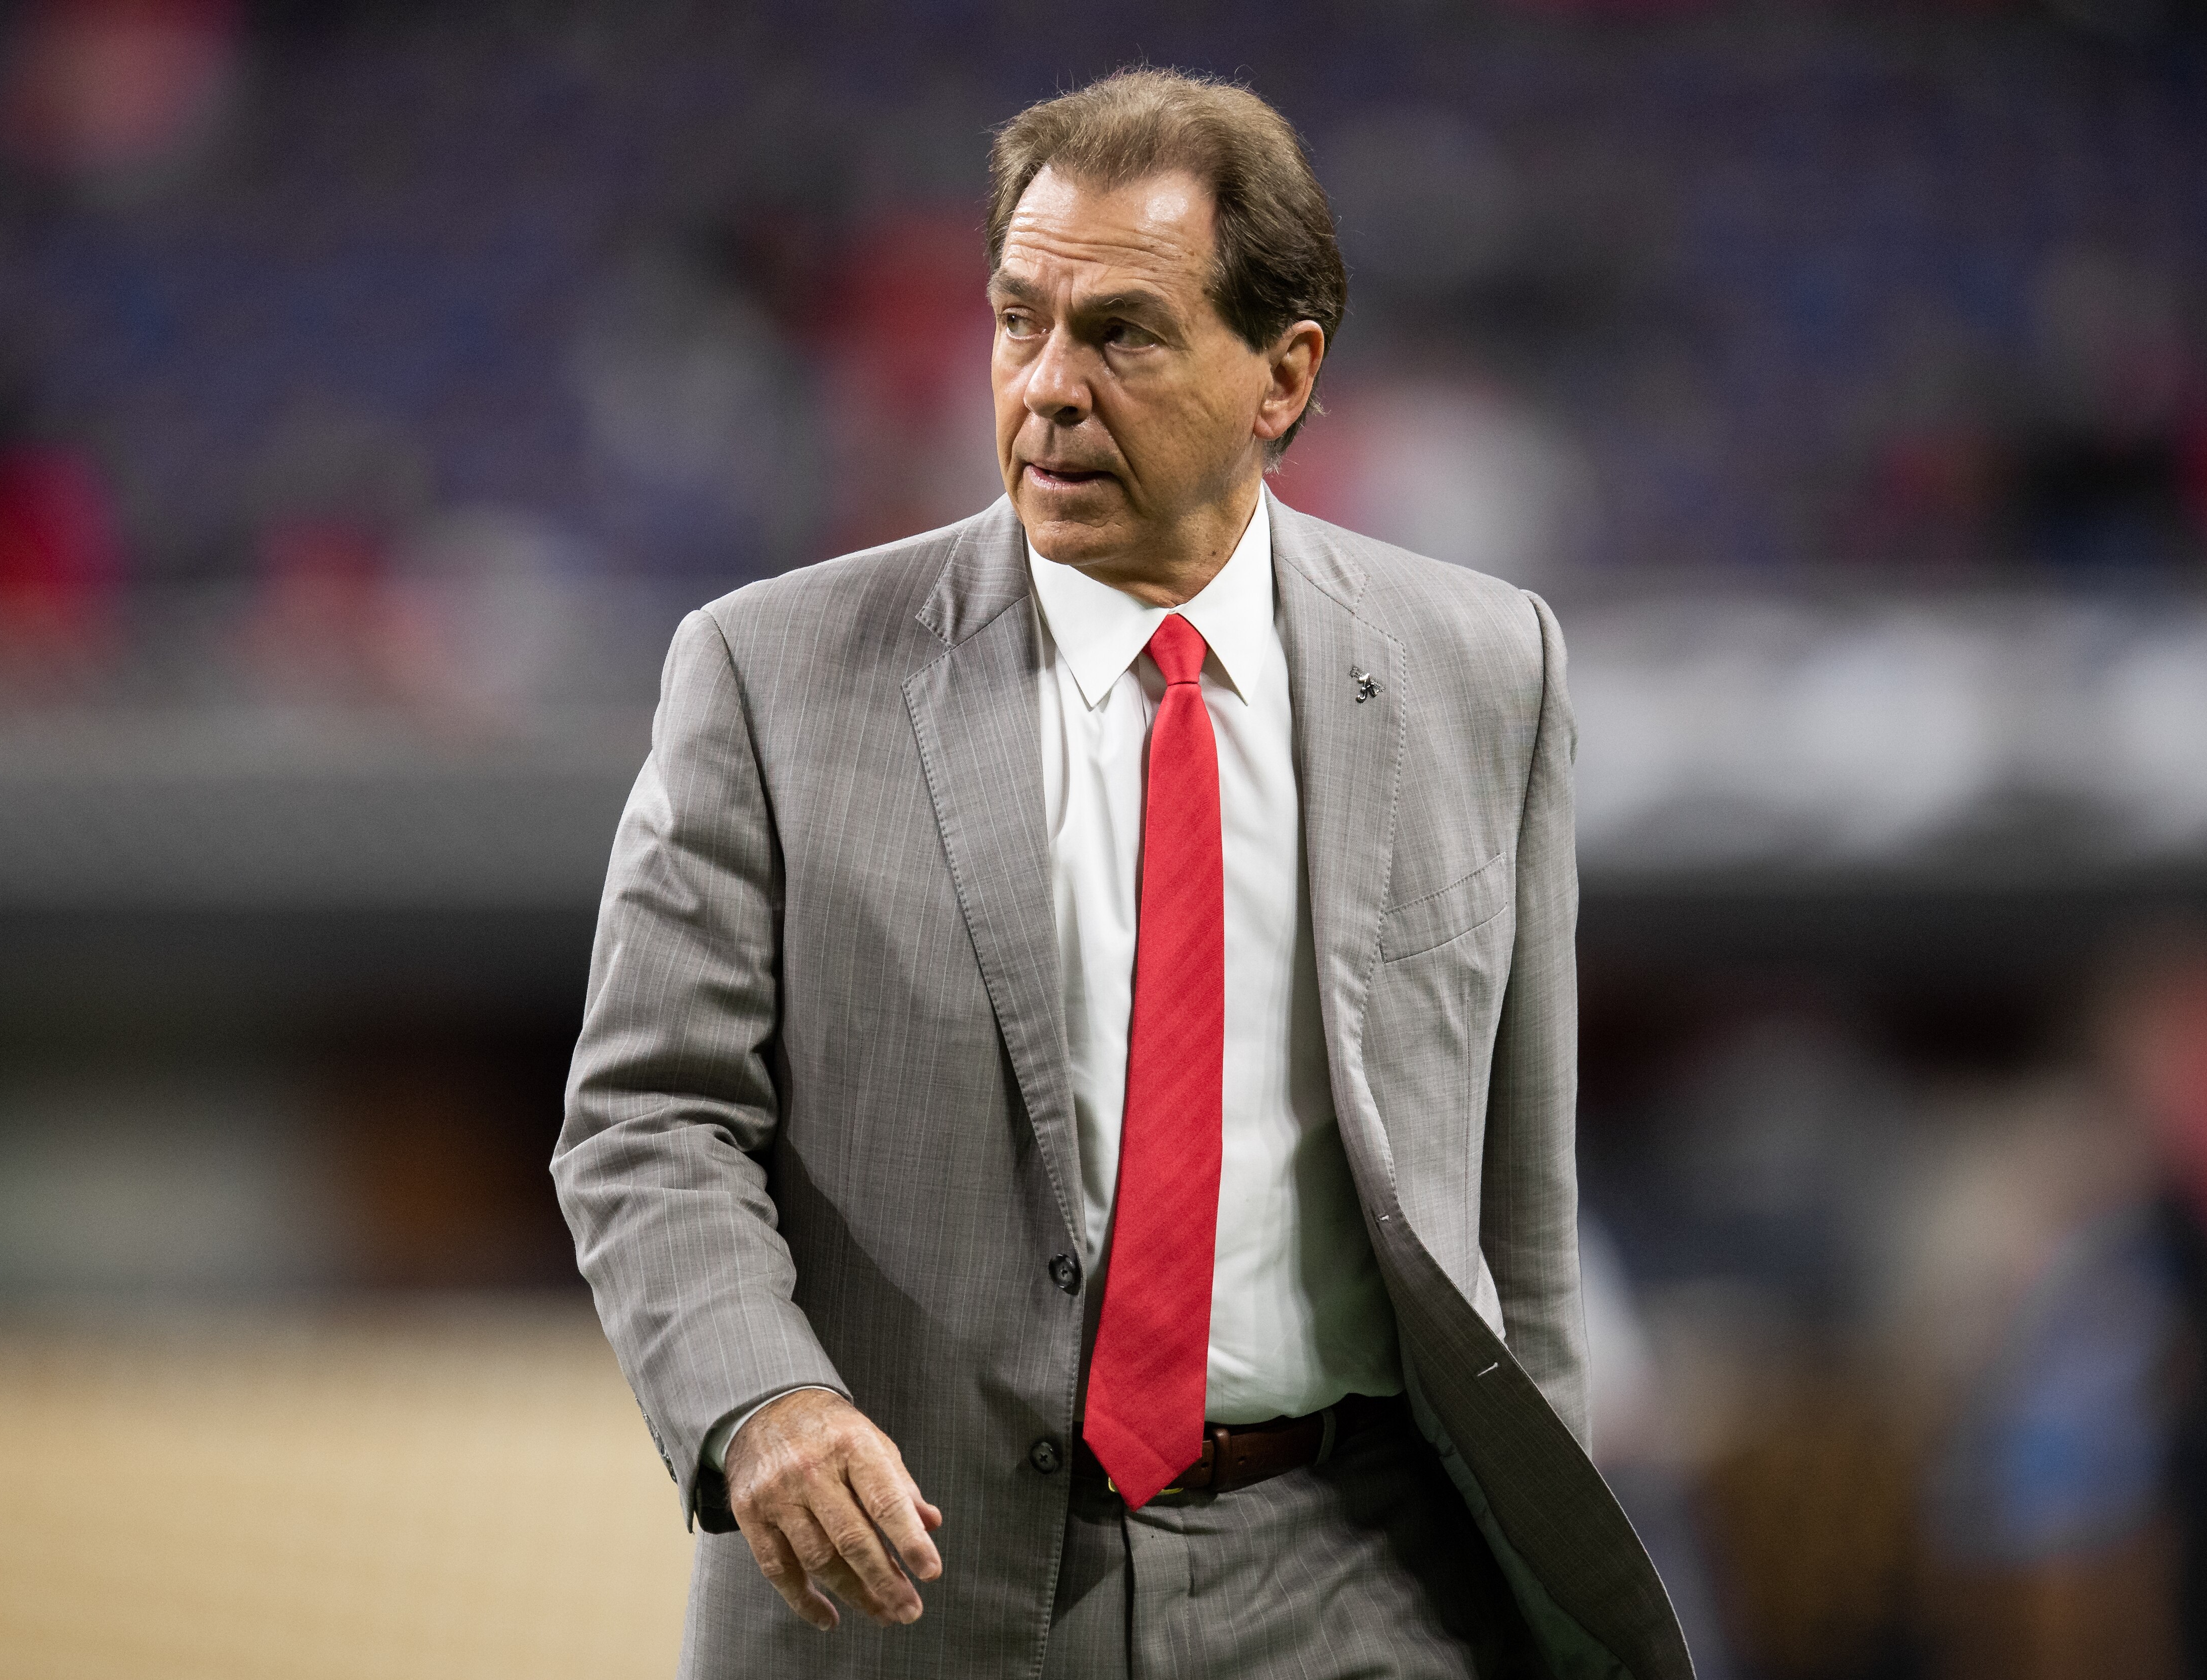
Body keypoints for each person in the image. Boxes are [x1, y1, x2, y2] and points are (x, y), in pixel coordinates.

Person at [555, 68, 1691, 1680]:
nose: (1049, 388)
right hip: (920, 1587)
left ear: (1283, 378)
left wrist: (1543, 1595)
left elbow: (1519, 1225)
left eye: (1125, 336)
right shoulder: (772, 674)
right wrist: (762, 1399)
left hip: (1356, 1576)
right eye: (1021, 323)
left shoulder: (1483, 671)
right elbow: (647, 1117)